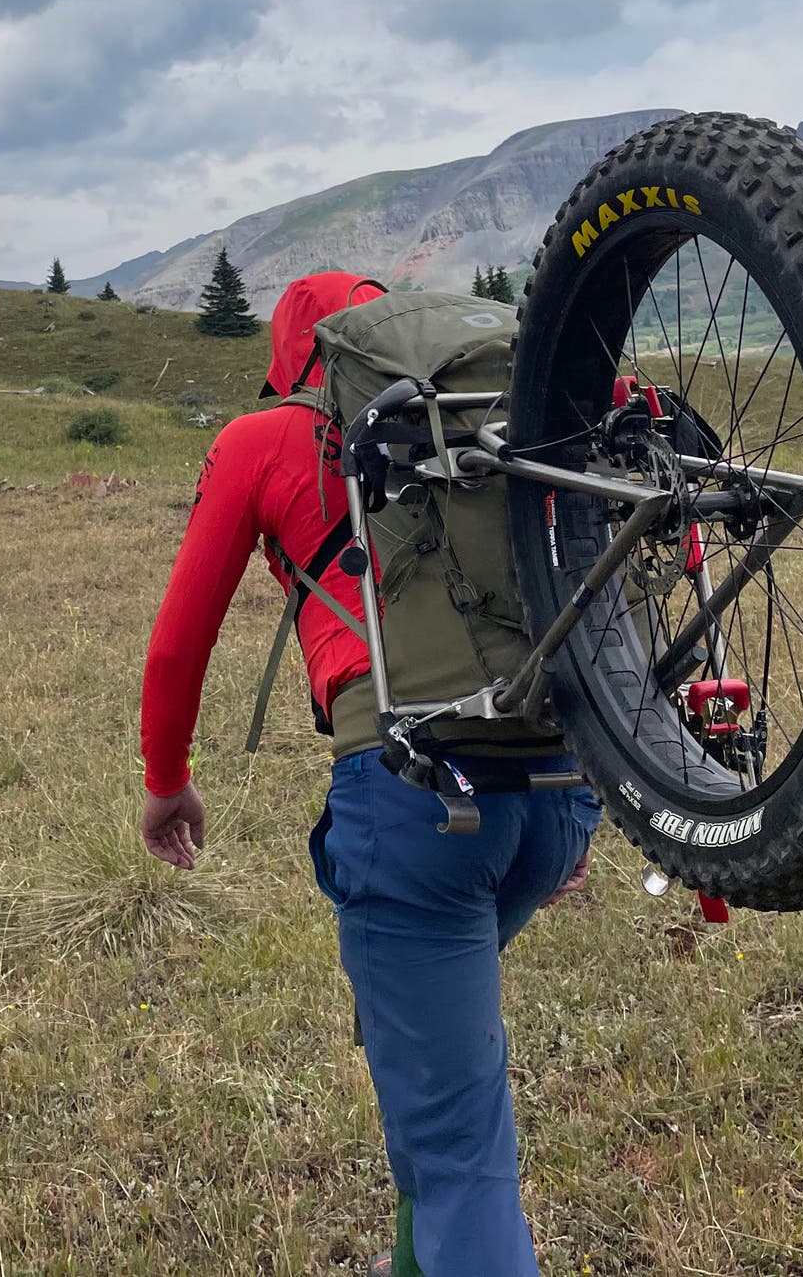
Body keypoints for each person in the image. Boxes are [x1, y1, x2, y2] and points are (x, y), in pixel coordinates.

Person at [137, 272, 599, 1276]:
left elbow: (179, 647)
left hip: (415, 805)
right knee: (441, 1068)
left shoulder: (263, 442)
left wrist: (167, 778)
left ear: (300, 361)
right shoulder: (498, 416)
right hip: (562, 793)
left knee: (460, 1152)